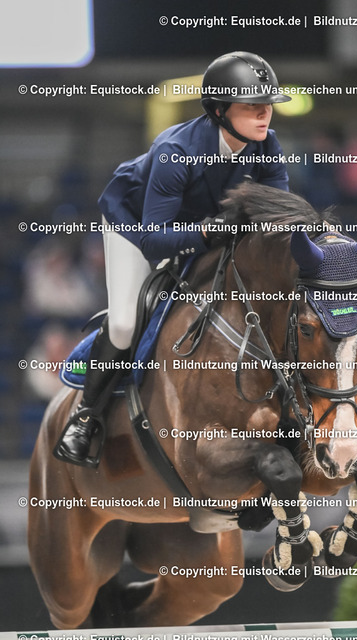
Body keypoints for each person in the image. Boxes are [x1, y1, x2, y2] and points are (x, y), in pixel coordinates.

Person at [55, 51, 292, 466]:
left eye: (267, 104)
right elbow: (154, 241)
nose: (263, 113)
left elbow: (280, 217)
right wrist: (209, 232)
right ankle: (86, 417)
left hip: (204, 224)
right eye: (251, 105)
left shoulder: (266, 144)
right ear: (219, 110)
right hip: (136, 224)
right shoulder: (175, 151)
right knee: (127, 322)